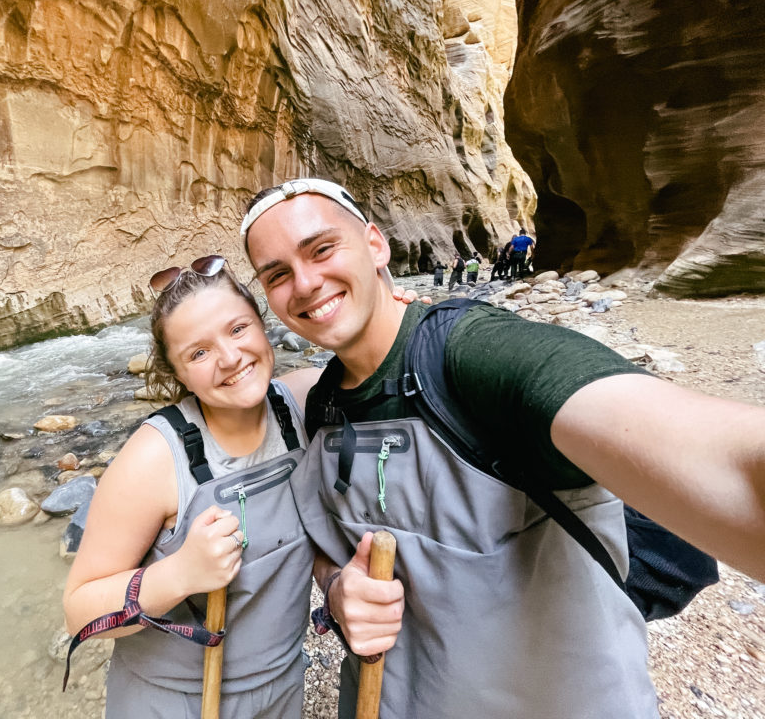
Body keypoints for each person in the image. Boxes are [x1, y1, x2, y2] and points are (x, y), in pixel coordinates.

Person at [240, 177, 765, 718]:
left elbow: (710, 451)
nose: (304, 284)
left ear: (376, 244)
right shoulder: (322, 402)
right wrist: (334, 587)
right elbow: (322, 528)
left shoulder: (475, 355)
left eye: (322, 248)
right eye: (277, 274)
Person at [61, 254, 420, 717]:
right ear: (177, 374)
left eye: (237, 329)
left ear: (263, 323)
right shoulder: (153, 458)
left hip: (283, 688)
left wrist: (396, 320)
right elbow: (80, 613)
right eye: (198, 352)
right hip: (175, 703)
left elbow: (385, 371)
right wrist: (178, 575)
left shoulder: (304, 402)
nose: (230, 358)